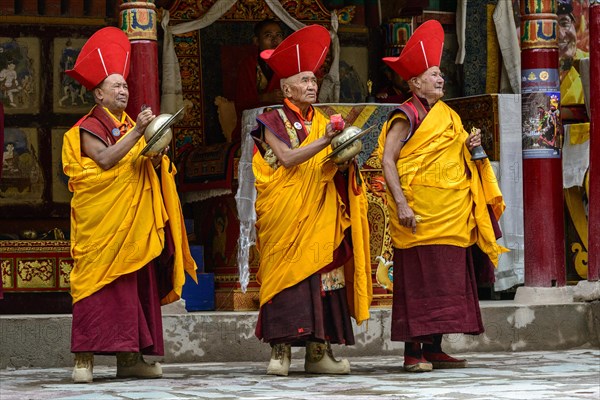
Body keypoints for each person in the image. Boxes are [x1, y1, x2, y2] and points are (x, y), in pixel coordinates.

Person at [62, 27, 196, 383]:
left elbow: (142, 168)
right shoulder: (88, 126)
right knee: (95, 290)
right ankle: (84, 361)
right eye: (115, 86)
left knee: (134, 286)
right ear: (98, 93)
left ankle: (131, 357)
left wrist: (155, 157)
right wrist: (139, 134)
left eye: (125, 86)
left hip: (132, 224)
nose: (123, 91)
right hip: (101, 226)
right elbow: (104, 161)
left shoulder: (128, 125)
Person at [378, 20, 506, 373]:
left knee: (446, 284)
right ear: (415, 82)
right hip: (418, 215)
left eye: (441, 74)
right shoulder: (406, 114)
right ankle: (412, 352)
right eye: (433, 74)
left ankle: (434, 347)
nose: (441, 79)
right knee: (419, 284)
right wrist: (401, 202)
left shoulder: (449, 116)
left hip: (451, 215)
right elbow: (388, 160)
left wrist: (471, 147)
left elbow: (457, 158)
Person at [250, 25, 372, 376]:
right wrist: (328, 142)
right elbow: (287, 159)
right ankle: (280, 353)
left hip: (320, 213)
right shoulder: (270, 119)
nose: (312, 85)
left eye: (314, 79)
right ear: (286, 87)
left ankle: (319, 351)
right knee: (286, 280)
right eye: (304, 80)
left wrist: (345, 161)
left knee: (324, 276)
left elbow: (331, 166)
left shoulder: (321, 121)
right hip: (284, 215)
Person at [234, 19, 285, 115]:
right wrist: (265, 98)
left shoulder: (290, 62)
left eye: (279, 35)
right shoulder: (248, 64)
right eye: (268, 36)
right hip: (257, 119)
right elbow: (241, 101)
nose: (275, 40)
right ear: (256, 41)